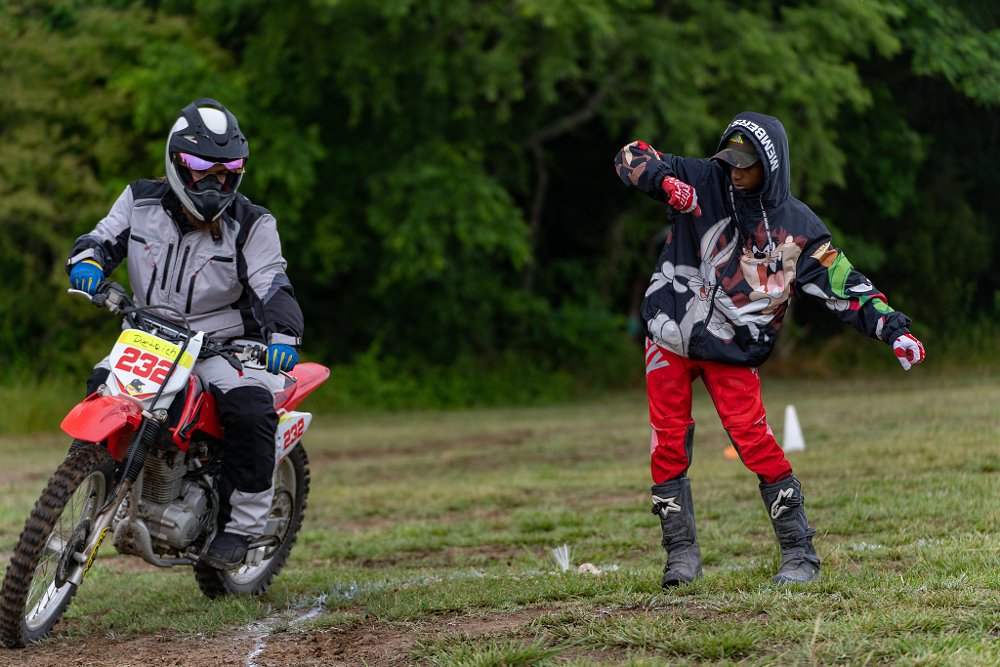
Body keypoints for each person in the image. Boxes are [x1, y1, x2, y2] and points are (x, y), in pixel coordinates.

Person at [614, 112, 925, 586]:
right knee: (667, 442)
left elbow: (844, 283)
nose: (735, 171)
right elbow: (630, 156)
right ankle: (680, 556)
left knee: (753, 440)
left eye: (747, 164)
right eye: (730, 160)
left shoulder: (798, 228)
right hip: (668, 336)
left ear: (771, 165)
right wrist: (662, 182)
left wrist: (891, 328)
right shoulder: (702, 178)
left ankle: (800, 555)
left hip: (734, 349)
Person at [66, 98, 304, 569]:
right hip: (150, 338)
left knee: (252, 409)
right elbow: (100, 239)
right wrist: (88, 261)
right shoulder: (139, 199)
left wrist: (284, 336)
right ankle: (89, 485)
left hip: (227, 346)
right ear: (177, 161)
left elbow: (274, 285)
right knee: (99, 387)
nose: (215, 181)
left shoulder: (254, 224)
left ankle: (242, 525)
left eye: (227, 170)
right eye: (201, 168)